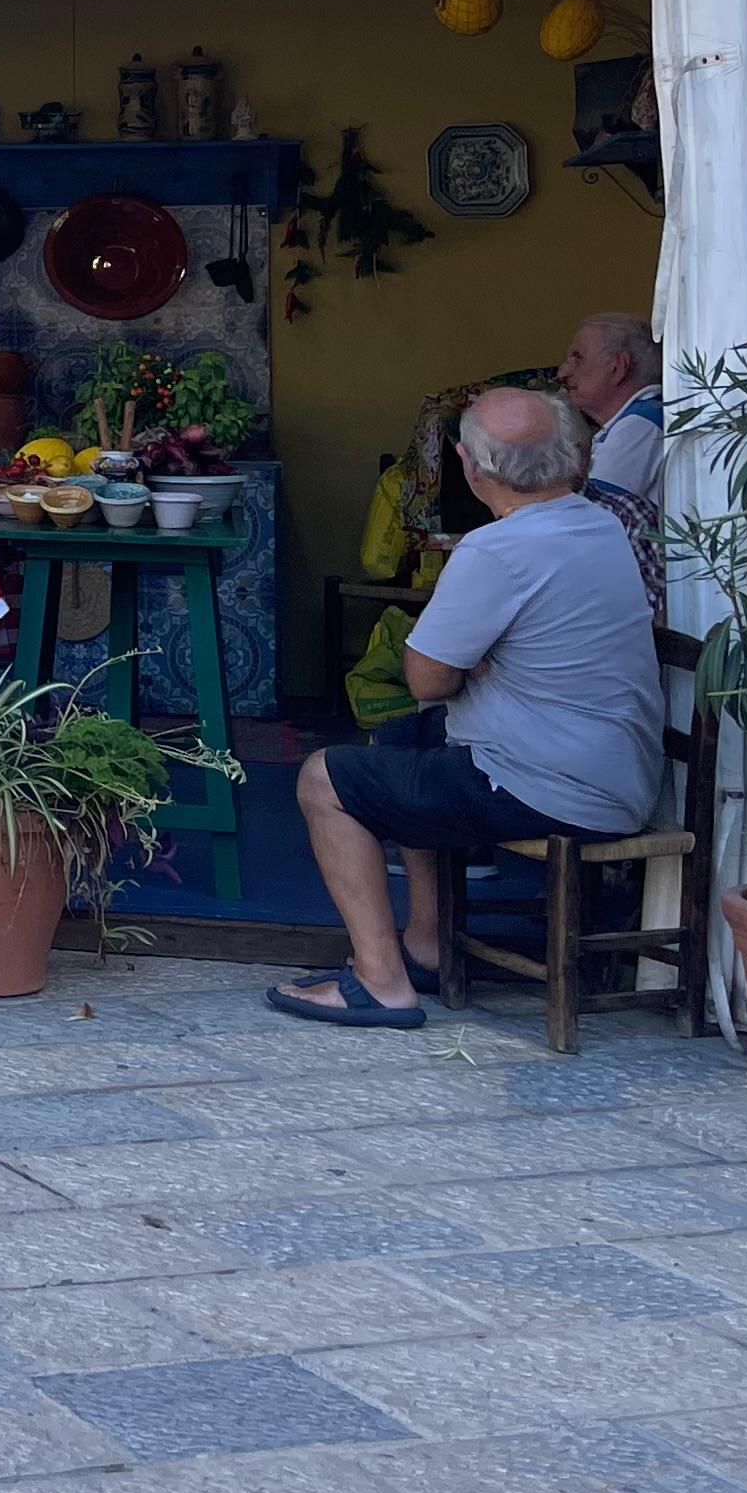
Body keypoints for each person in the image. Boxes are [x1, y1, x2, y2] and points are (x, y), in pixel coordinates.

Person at [272, 385, 664, 1028]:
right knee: (404, 743)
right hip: (620, 778)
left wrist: (472, 658)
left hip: (548, 786)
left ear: (468, 464)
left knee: (325, 779)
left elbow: (426, 677)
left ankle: (380, 980)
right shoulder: (600, 524)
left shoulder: (495, 549)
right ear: (577, 456)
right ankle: (425, 945)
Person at [558, 310, 666, 501]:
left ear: (618, 367)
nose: (562, 373)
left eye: (578, 358)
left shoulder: (640, 425)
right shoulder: (639, 419)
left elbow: (588, 514)